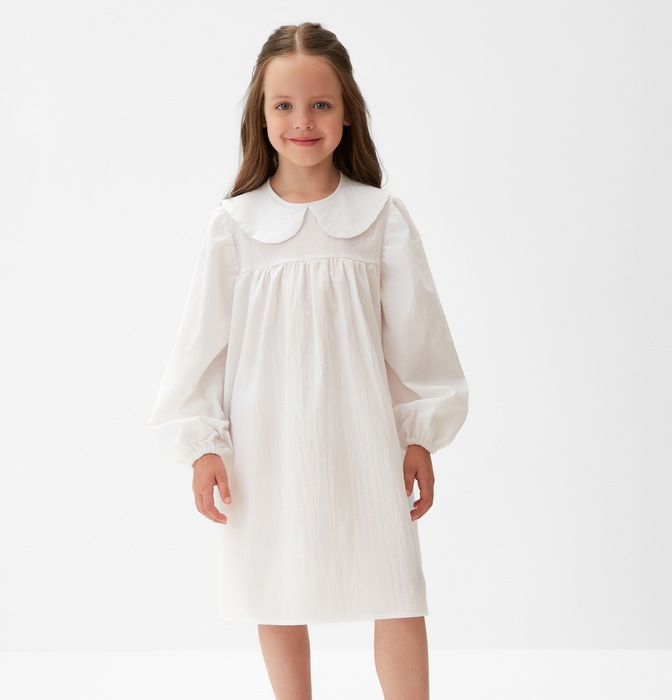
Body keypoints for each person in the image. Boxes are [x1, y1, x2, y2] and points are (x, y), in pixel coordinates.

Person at [150, 21, 468, 700]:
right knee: (275, 583)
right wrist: (203, 445)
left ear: (347, 112)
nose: (302, 121)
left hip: (362, 433)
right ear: (261, 116)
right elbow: (201, 345)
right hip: (264, 438)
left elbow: (417, 336)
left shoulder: (379, 217)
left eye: (320, 104)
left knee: (395, 585)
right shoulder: (234, 226)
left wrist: (419, 433)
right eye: (284, 105)